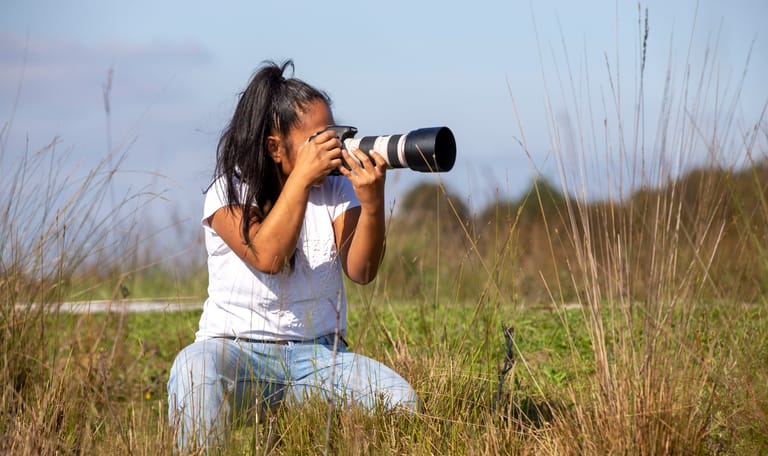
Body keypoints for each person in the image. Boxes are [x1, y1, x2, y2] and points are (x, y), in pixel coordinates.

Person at [167, 60, 418, 451]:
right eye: (319, 140)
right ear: (275, 147)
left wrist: (371, 204)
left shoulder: (336, 191)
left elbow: (362, 270)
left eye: (334, 136)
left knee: (401, 401)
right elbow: (267, 254)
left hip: (318, 357)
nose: (331, 149)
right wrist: (300, 180)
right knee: (194, 368)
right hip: (236, 353)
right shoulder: (228, 191)